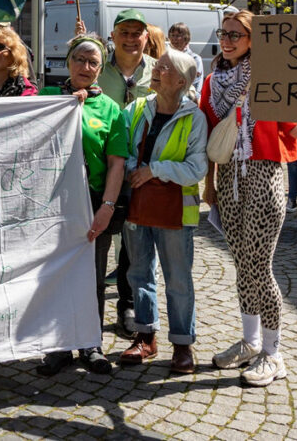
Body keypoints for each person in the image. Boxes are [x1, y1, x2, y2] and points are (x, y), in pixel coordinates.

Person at [201, 10, 297, 387]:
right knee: (241, 264)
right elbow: (207, 136)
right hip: (230, 176)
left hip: (266, 173)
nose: (229, 40)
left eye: (237, 34)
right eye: (225, 33)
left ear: (253, 40)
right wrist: (208, 185)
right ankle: (250, 342)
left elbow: (292, 127)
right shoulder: (212, 81)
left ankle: (273, 352)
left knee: (258, 266)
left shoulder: (271, 79)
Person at [35, 36, 126, 376]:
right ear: (67, 62)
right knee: (53, 274)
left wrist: (107, 207)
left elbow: (117, 164)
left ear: (100, 69)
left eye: (93, 62)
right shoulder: (46, 99)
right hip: (48, 203)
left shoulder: (110, 109)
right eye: (79, 60)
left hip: (92, 201)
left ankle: (91, 342)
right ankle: (57, 347)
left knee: (93, 276)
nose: (85, 67)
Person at [119, 48, 208, 374]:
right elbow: (122, 149)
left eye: (165, 68)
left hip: (176, 212)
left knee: (178, 280)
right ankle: (146, 337)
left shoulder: (194, 118)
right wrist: (133, 168)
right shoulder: (138, 108)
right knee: (139, 273)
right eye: (157, 65)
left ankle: (183, 345)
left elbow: (196, 168)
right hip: (139, 205)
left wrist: (154, 170)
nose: (156, 70)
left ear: (182, 81)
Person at [87, 8, 157, 338]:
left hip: (144, 170)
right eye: (124, 32)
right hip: (103, 168)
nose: (131, 39)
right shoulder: (96, 70)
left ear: (147, 36)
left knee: (135, 244)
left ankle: (127, 304)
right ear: (112, 36)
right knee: (97, 236)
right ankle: (88, 306)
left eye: (137, 33)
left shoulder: (159, 71)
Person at [167, 22, 204, 96]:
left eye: (177, 36)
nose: (174, 39)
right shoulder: (166, 57)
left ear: (186, 38)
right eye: (172, 35)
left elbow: (196, 86)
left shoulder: (195, 59)